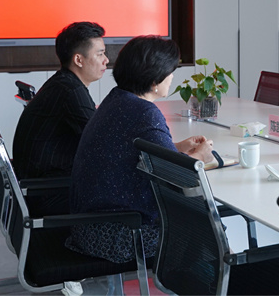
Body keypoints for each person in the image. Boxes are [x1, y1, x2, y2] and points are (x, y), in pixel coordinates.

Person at [66, 36, 214, 264]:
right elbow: (179, 180)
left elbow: (125, 151)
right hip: (121, 235)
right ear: (155, 80)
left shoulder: (117, 99)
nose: (172, 77)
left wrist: (176, 148)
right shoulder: (145, 112)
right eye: (170, 71)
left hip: (88, 226)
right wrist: (199, 157)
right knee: (207, 226)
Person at [12, 21, 109, 180]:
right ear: (78, 60)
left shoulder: (63, 82)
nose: (106, 60)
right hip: (50, 184)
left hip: (41, 174)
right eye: (100, 54)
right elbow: (100, 139)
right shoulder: (70, 90)